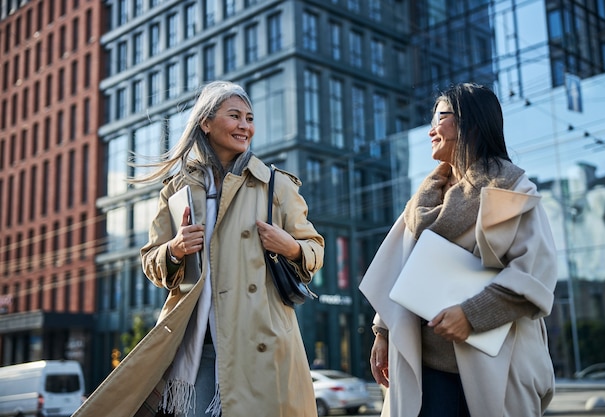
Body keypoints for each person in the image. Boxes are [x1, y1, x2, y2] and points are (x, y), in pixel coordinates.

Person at [71, 81, 324, 417]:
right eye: (234, 116)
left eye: (249, 118)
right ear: (206, 122)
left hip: (260, 342)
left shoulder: (275, 184)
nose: (244, 125)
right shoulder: (177, 188)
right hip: (198, 342)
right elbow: (151, 259)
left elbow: (314, 250)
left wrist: (290, 246)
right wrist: (174, 250)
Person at [359, 83, 557, 417]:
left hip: (495, 366)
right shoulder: (422, 200)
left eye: (440, 118)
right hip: (425, 368)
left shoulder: (513, 190)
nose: (430, 131)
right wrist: (383, 332)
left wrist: (471, 314)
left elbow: (535, 274)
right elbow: (399, 270)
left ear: (471, 122)